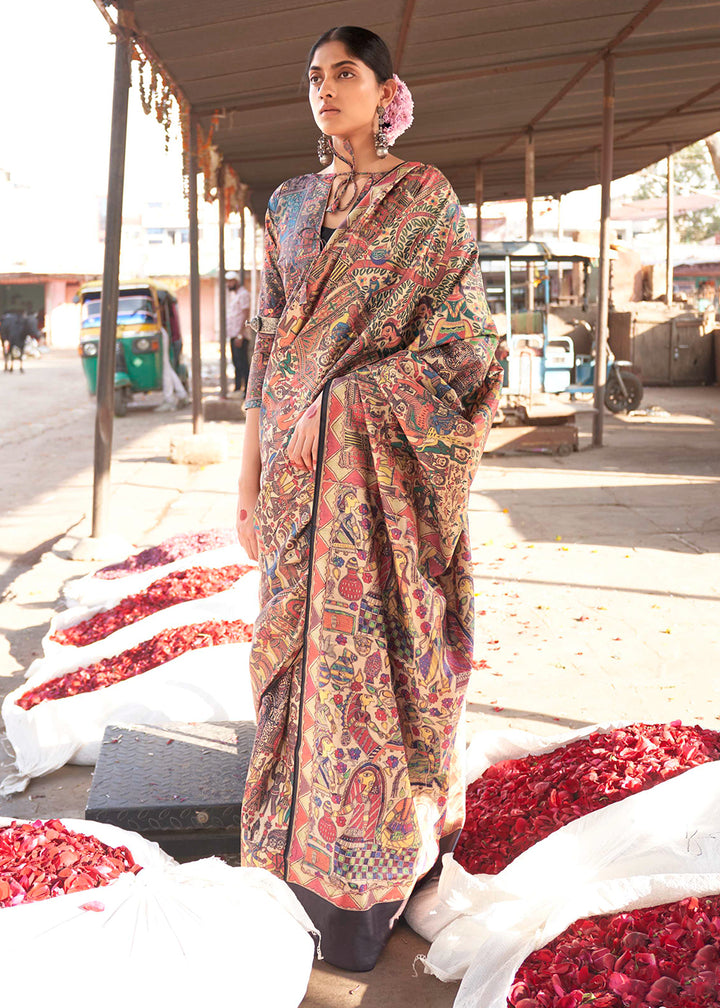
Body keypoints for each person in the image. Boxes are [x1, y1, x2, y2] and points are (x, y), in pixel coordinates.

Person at [236, 25, 503, 972]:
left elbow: (465, 350)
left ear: (388, 89)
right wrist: (250, 473)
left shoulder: (424, 202)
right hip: (294, 489)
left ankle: (365, 891)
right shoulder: (290, 204)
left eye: (343, 73)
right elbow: (269, 352)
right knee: (290, 669)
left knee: (371, 673)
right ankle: (284, 874)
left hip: (375, 489)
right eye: (313, 76)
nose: (325, 89)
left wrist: (347, 403)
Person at [226, 270, 251, 395]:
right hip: (233, 334)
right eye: (228, 281)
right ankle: (237, 388)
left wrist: (241, 334)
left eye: (231, 281)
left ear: (236, 281)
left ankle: (246, 389)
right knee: (236, 362)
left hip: (240, 335)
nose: (229, 284)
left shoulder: (243, 294)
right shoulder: (233, 295)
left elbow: (246, 313)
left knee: (243, 363)